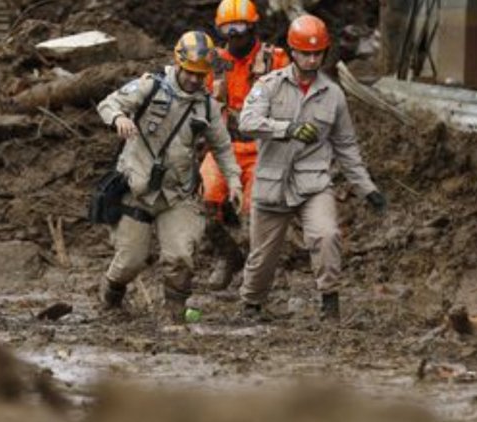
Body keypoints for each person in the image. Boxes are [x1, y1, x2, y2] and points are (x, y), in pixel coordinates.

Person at [237, 15, 387, 321]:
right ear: (292, 51)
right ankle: (251, 304)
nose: (312, 59)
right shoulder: (268, 86)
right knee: (263, 254)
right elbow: (247, 123)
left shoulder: (333, 96)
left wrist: (367, 189)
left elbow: (346, 147)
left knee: (326, 235)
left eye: (317, 53)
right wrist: (286, 129)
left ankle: (329, 303)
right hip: (272, 182)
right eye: (305, 53)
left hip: (313, 184)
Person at [95, 31, 243, 324]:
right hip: (136, 189)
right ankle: (110, 296)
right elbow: (107, 104)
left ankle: (174, 315)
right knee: (130, 262)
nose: (194, 80)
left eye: (201, 75)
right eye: (189, 73)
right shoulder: (150, 86)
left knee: (180, 257)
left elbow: (223, 147)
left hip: (177, 193)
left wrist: (235, 181)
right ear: (178, 64)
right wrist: (119, 118)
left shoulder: (207, 106)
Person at [200, 0, 290, 290]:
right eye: (227, 29)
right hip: (224, 148)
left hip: (262, 150)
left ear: (253, 26)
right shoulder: (214, 62)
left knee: (257, 214)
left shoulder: (275, 59)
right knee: (202, 204)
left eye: (240, 28)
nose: (234, 35)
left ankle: (260, 273)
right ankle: (228, 256)